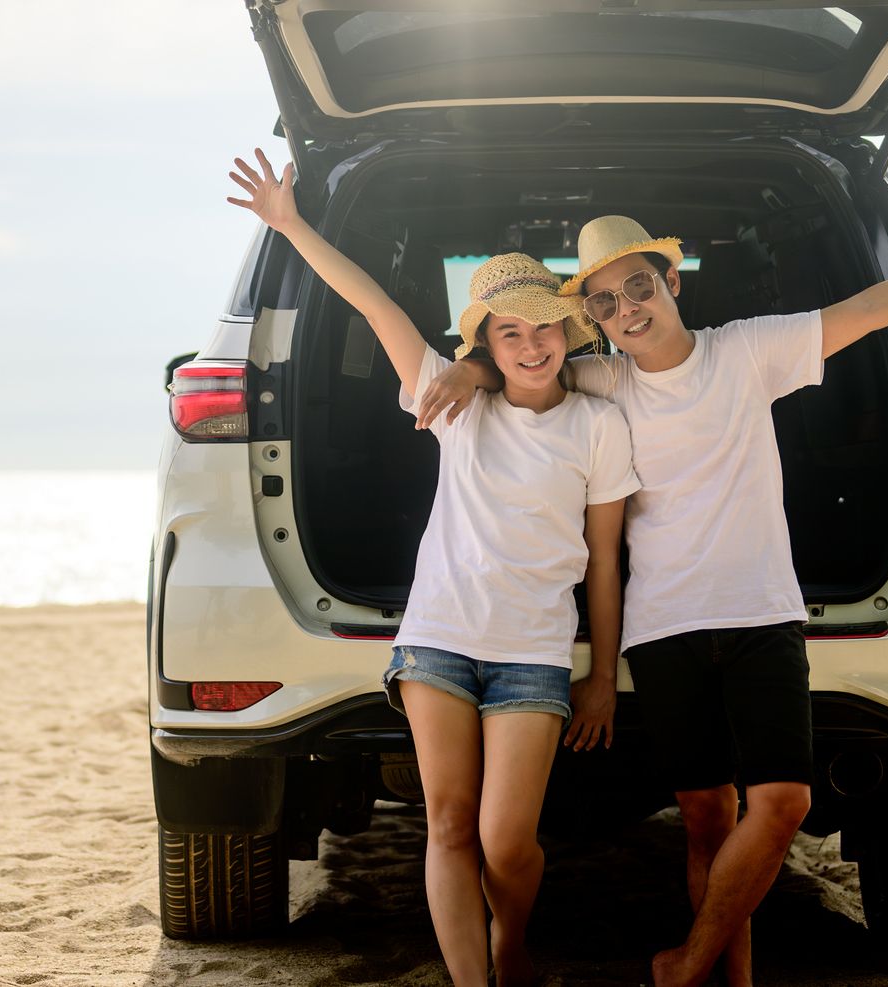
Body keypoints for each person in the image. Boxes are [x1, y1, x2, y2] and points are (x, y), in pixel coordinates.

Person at [419, 202, 888, 986]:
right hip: (662, 624)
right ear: (593, 318)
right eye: (605, 302)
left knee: (784, 802)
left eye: (638, 287)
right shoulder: (601, 378)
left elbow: (868, 311)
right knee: (705, 818)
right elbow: (524, 362)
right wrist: (468, 367)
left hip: (761, 611)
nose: (627, 309)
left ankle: (688, 961)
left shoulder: (748, 350)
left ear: (670, 281)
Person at [225, 148, 641, 987]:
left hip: (532, 653)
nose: (531, 345)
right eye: (508, 333)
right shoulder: (452, 401)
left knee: (506, 840)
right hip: (437, 644)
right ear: (483, 341)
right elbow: (371, 299)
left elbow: (604, 559)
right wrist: (289, 222)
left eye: (544, 327)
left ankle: (512, 942)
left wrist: (599, 673)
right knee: (448, 825)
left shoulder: (597, 424)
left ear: (568, 331)